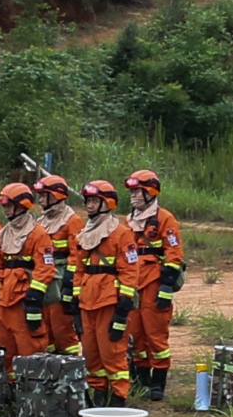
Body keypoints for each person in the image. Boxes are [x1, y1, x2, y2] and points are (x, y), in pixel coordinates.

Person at [70, 180, 135, 405]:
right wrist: (74, 300)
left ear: (107, 203)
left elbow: (129, 270)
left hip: (109, 301)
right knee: (91, 353)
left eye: (95, 201)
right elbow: (79, 269)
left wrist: (123, 308)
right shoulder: (83, 234)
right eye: (88, 201)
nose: (89, 205)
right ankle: (98, 395)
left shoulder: (122, 234)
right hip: (87, 301)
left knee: (113, 353)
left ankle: (119, 398)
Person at [124, 169, 183, 402]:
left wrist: (166, 287)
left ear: (150, 192)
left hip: (154, 282)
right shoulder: (128, 221)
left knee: (155, 334)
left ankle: (158, 382)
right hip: (132, 283)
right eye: (132, 192)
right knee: (135, 333)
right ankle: (141, 379)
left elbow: (174, 253)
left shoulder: (165, 219)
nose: (133, 196)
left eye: (137, 191)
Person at [0, 183, 56, 364]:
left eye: (9, 206)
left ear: (21, 205)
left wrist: (34, 298)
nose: (6, 210)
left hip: (24, 301)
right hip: (4, 301)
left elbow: (45, 267)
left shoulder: (38, 234)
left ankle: (32, 390)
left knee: (30, 349)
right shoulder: (2, 234)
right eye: (4, 207)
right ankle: (9, 388)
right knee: (4, 350)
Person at [33, 176, 84, 352]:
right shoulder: (40, 222)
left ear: (55, 196)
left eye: (43, 195)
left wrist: (69, 284)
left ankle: (69, 370)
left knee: (62, 327)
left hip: (62, 280)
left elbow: (77, 254)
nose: (40, 200)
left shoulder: (72, 220)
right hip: (45, 278)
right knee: (45, 327)